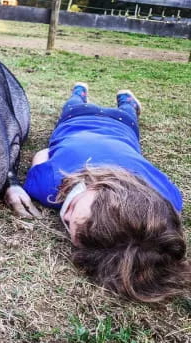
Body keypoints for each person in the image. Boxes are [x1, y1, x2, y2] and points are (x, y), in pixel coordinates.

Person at [23, 82, 190, 302]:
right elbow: (43, 154)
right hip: (79, 119)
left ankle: (106, 96)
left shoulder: (167, 200)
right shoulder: (49, 184)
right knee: (75, 105)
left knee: (117, 108)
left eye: (66, 221)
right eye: (74, 206)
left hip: (118, 123)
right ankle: (85, 94)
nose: (66, 214)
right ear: (107, 188)